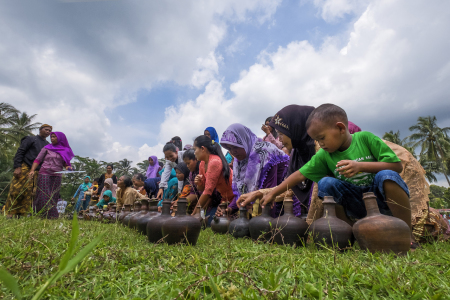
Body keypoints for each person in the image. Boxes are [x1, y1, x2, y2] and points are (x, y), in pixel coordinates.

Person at [252, 104, 414, 244]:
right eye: (316, 139)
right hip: (356, 203)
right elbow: (299, 176)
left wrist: (360, 166)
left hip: (382, 199)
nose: (320, 144)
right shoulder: (324, 154)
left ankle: (406, 235)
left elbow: (396, 166)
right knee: (326, 183)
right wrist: (272, 193)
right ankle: (350, 235)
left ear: (341, 128)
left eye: (322, 138)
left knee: (386, 175)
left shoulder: (365, 138)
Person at [237, 105, 316, 216]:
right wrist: (258, 193)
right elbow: (289, 187)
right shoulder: (296, 154)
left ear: (295, 129)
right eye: (278, 134)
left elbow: (301, 178)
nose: (281, 139)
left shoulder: (319, 149)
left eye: (281, 134)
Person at [219, 123, 293, 218]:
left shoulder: (265, 152)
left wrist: (267, 225)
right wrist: (229, 209)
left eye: (236, 146)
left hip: (285, 202)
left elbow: (269, 193)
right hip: (267, 201)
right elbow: (242, 191)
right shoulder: (239, 161)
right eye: (230, 148)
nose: (233, 152)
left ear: (245, 141)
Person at [5, 124, 52, 218]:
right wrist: (17, 167)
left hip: (38, 172)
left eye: (50, 131)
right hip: (25, 167)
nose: (48, 132)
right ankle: (10, 213)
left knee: (31, 194)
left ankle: (23, 214)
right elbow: (20, 151)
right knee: (17, 190)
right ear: (40, 130)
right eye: (46, 129)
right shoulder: (30, 139)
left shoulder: (47, 145)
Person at [30, 131, 74, 219]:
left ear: (60, 138)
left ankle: (45, 216)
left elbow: (66, 164)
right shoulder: (47, 148)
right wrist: (32, 170)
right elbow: (38, 159)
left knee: (53, 196)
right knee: (44, 194)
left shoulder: (65, 150)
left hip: (57, 175)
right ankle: (51, 216)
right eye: (51, 137)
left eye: (54, 137)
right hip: (44, 173)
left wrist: (68, 168)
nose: (52, 138)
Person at [192, 135, 234, 221]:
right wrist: (199, 183)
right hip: (225, 200)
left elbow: (208, 191)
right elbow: (202, 189)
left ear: (203, 149)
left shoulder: (215, 161)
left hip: (235, 197)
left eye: (195, 149)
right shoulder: (202, 164)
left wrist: (194, 213)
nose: (194, 153)